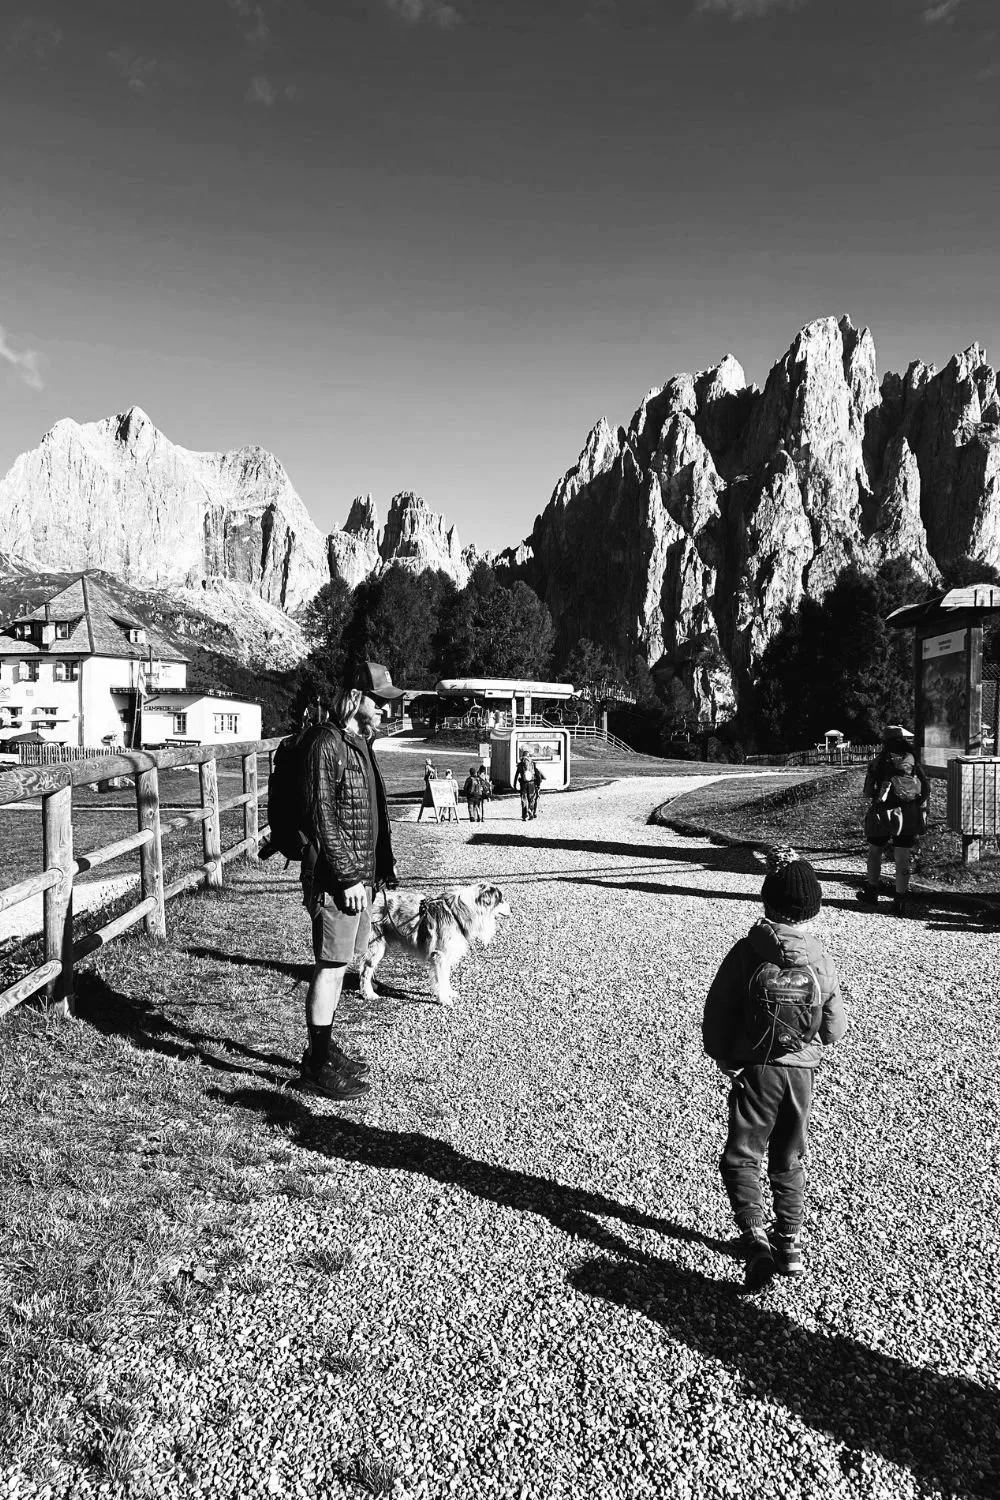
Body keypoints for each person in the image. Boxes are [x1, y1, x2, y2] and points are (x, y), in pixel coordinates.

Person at [702, 850, 846, 1291]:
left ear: (766, 902)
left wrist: (723, 1055)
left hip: (756, 1070)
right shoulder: (820, 957)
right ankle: (790, 1242)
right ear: (814, 910)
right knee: (789, 1155)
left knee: (743, 1153)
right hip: (800, 1074)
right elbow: (833, 1029)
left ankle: (754, 1236)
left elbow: (719, 1009)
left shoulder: (747, 951)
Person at [298, 661, 403, 1100]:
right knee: (330, 966)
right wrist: (344, 877)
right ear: (356, 697)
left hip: (361, 878)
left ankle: (323, 1047)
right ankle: (316, 1065)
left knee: (342, 964)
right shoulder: (326, 743)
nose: (385, 709)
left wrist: (378, 872)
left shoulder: (359, 743)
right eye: (379, 700)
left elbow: (369, 814)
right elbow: (320, 815)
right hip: (337, 881)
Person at [856, 724, 930, 918]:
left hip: (882, 813)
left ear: (884, 741)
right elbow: (926, 788)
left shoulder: (879, 761)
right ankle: (900, 901)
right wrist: (914, 804)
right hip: (908, 813)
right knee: (902, 857)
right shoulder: (912, 759)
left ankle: (872, 892)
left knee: (875, 852)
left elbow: (868, 791)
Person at [513, 750, 542, 821]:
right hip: (531, 783)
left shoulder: (520, 764)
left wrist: (514, 784)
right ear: (529, 756)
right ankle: (530, 810)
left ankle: (524, 815)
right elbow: (537, 774)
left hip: (523, 784)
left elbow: (516, 775)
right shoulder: (532, 763)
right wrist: (538, 784)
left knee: (524, 799)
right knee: (531, 798)